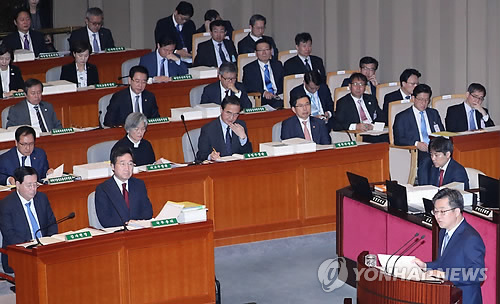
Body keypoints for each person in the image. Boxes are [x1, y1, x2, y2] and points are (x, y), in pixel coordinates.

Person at [414, 188, 485, 304]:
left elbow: (478, 274)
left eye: (442, 212)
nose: (438, 216)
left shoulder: (471, 239)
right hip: (447, 297)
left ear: (457, 211)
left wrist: (445, 275)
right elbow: (443, 263)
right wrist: (425, 265)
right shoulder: (443, 231)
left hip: (465, 299)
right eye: (435, 212)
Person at [0, 166, 58, 273]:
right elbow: (10, 236)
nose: (33, 188)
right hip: (19, 254)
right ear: (17, 185)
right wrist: (33, 248)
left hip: (44, 251)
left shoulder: (42, 198)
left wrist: (49, 243)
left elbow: (52, 224)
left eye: (35, 184)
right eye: (29, 185)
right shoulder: (6, 205)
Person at [393, 84, 444, 183]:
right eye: (420, 99)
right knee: (427, 159)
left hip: (435, 147)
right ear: (413, 98)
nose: (423, 103)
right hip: (416, 150)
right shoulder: (402, 116)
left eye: (426, 100)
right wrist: (417, 144)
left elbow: (441, 132)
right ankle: (425, 189)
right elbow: (398, 139)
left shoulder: (433, 113)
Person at [95, 146, 153, 228]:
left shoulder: (139, 184)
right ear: (112, 166)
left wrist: (136, 223)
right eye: (122, 164)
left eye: (130, 164)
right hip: (117, 233)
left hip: (138, 230)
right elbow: (105, 220)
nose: (127, 168)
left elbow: (148, 212)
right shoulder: (103, 189)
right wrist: (128, 223)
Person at [196, 96, 252, 161]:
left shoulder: (240, 125)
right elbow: (200, 155)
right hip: (217, 168)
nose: (231, 118)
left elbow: (249, 154)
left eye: (236, 114)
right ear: (221, 110)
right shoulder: (208, 129)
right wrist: (210, 156)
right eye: (228, 113)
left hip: (237, 167)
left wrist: (243, 138)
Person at [333, 73, 385, 143]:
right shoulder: (343, 102)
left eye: (361, 84)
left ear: (365, 87)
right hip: (359, 134)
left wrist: (373, 126)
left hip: (374, 131)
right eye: (355, 84)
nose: (358, 87)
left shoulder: (371, 99)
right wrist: (356, 126)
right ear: (350, 86)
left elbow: (382, 116)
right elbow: (337, 125)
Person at [242, 38, 284, 108]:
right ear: (256, 53)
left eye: (267, 50)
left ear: (271, 51)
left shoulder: (278, 65)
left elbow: (283, 82)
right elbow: (247, 87)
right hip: (262, 98)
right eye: (261, 50)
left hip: (279, 96)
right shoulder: (249, 68)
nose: (264, 53)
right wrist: (263, 92)